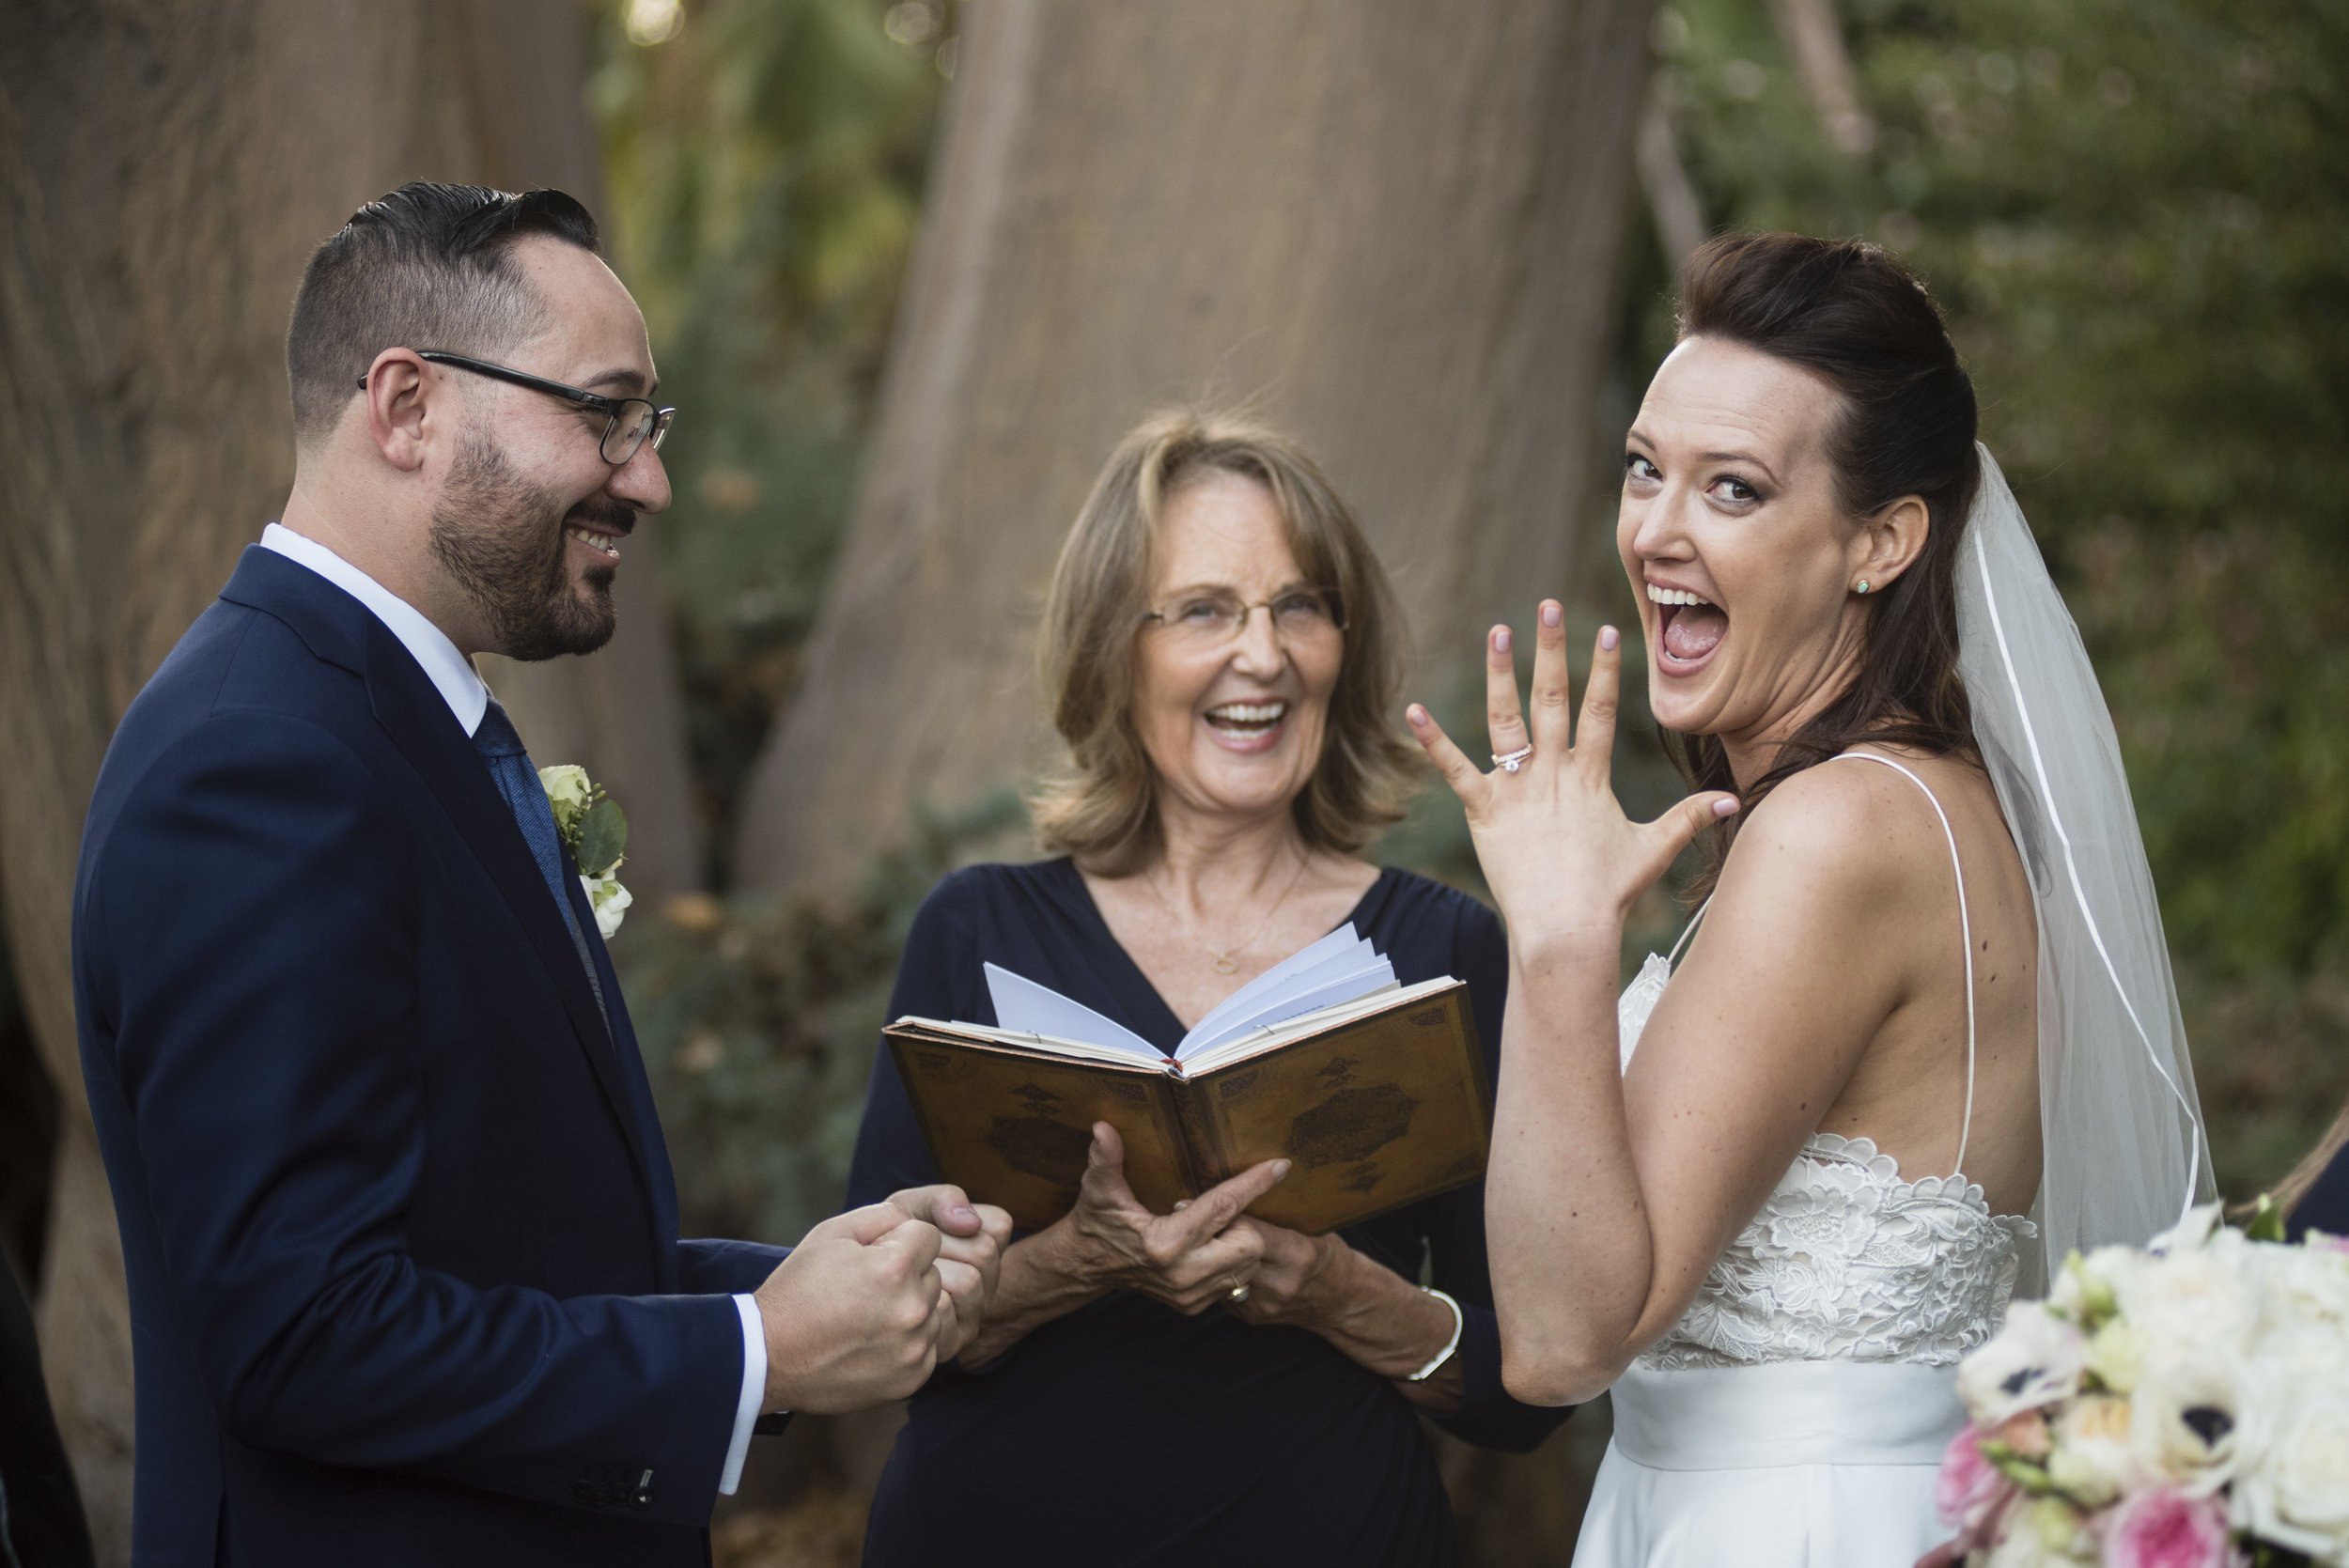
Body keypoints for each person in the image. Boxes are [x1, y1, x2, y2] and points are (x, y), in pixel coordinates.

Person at [70, 182, 1008, 1568]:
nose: (649, 477)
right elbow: (304, 1334)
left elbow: (508, 1257)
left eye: (650, 423)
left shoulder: (386, 718)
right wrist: (765, 1352)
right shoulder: (258, 760)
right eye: (605, 413)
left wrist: (827, 1292)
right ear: (405, 409)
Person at [1406, 232, 2212, 1564]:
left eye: (1732, 489)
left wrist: (1559, 943)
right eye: (1644, 471)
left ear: (1882, 540)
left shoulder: (1839, 832)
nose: (1659, 530)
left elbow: (1558, 1344)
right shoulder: (1931, 802)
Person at [845, 411, 1570, 1567]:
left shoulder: (1447, 953)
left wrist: (1332, 1289)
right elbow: (876, 1330)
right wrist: (1076, 1257)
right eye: (1202, 610)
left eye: (1299, 604)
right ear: (1111, 648)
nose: (1265, 655)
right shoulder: (975, 932)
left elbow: (1529, 1391)